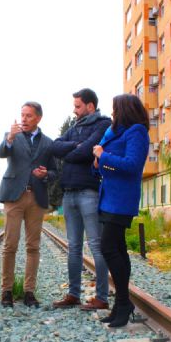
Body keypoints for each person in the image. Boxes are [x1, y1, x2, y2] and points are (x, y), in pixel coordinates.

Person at [51, 88, 111, 311]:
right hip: (69, 193)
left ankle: (102, 298)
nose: (74, 110)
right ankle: (73, 294)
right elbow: (54, 147)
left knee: (96, 245)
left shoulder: (103, 124)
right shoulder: (73, 127)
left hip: (90, 192)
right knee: (74, 246)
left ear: (90, 106)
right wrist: (73, 148)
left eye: (77, 106)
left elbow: (87, 152)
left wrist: (74, 151)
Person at [92, 94, 149, 328]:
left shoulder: (136, 131)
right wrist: (98, 164)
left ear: (125, 109)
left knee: (108, 248)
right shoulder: (116, 132)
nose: (113, 113)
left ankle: (123, 303)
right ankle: (121, 304)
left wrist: (103, 156)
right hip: (109, 198)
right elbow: (104, 165)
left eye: (116, 109)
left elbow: (133, 165)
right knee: (117, 249)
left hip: (122, 200)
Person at [0, 102, 57, 308]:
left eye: (29, 116)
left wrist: (46, 174)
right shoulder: (12, 136)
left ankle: (29, 292)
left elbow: (55, 171)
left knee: (33, 246)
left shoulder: (48, 143)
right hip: (14, 196)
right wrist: (10, 138)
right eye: (22, 115)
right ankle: (7, 291)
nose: (24, 119)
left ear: (38, 118)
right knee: (9, 245)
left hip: (36, 198)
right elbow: (1, 153)